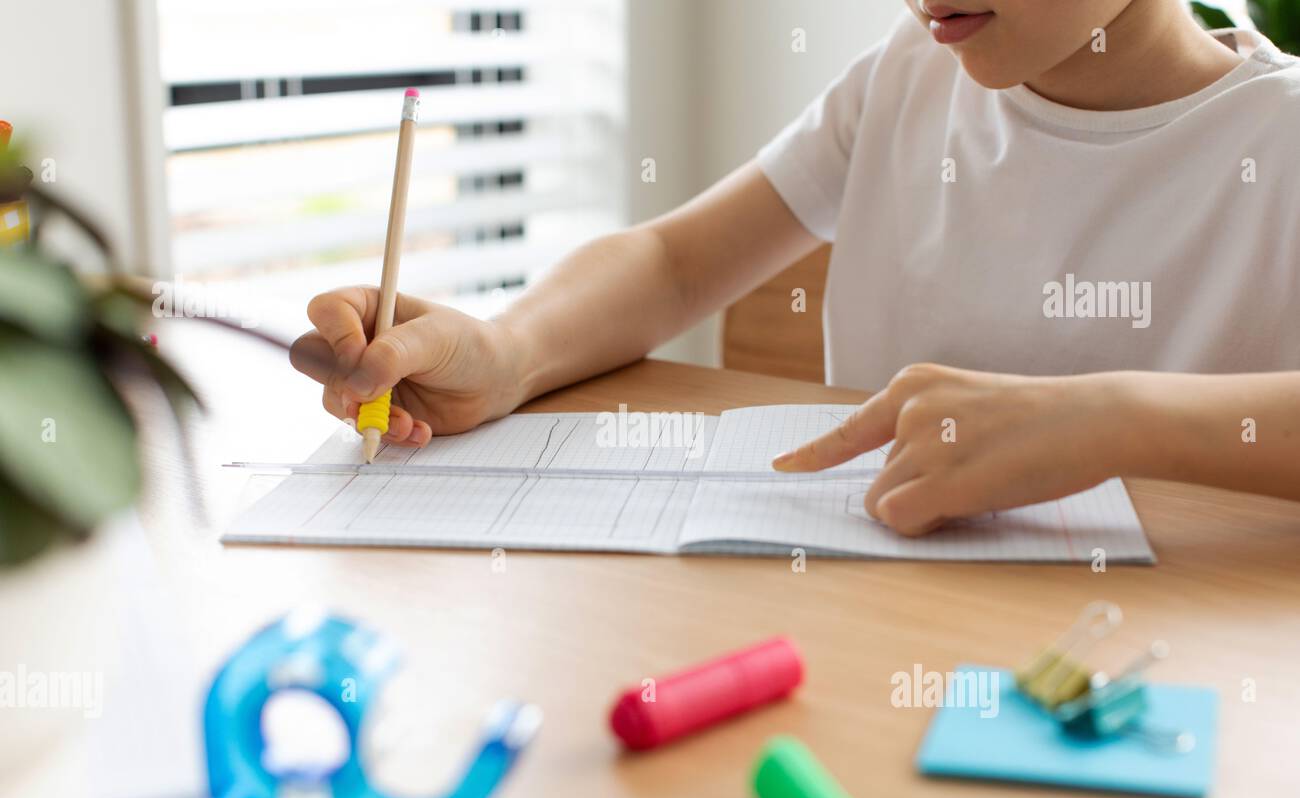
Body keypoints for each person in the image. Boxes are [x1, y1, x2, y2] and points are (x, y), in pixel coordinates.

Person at [292, 1, 1300, 536]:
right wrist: (507, 352)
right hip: (866, 618)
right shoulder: (906, 79)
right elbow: (675, 262)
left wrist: (1110, 418)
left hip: (1150, 668)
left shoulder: (1279, 139)